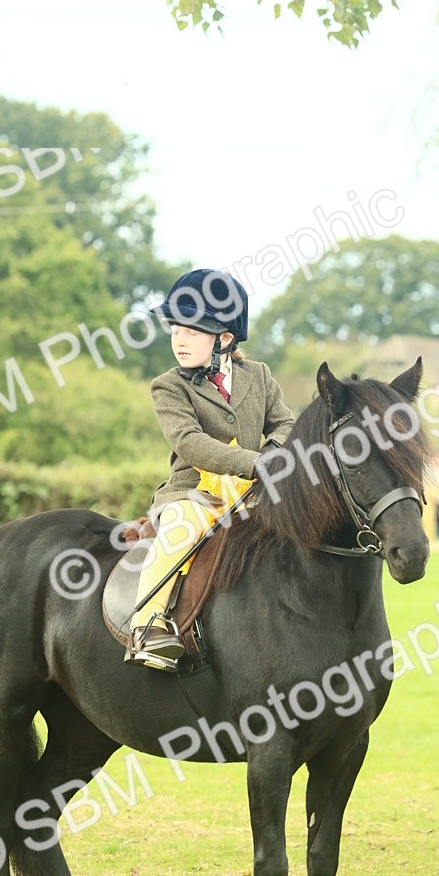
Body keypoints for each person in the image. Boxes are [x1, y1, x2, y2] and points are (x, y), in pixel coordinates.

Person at [126, 268, 295, 669]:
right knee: (180, 530)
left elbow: (286, 423)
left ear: (224, 338)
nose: (179, 340)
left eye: (192, 331)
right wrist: (257, 462)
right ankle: (147, 625)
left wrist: (276, 451)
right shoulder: (168, 385)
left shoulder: (260, 375)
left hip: (256, 496)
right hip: (194, 494)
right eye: (175, 330)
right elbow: (189, 442)